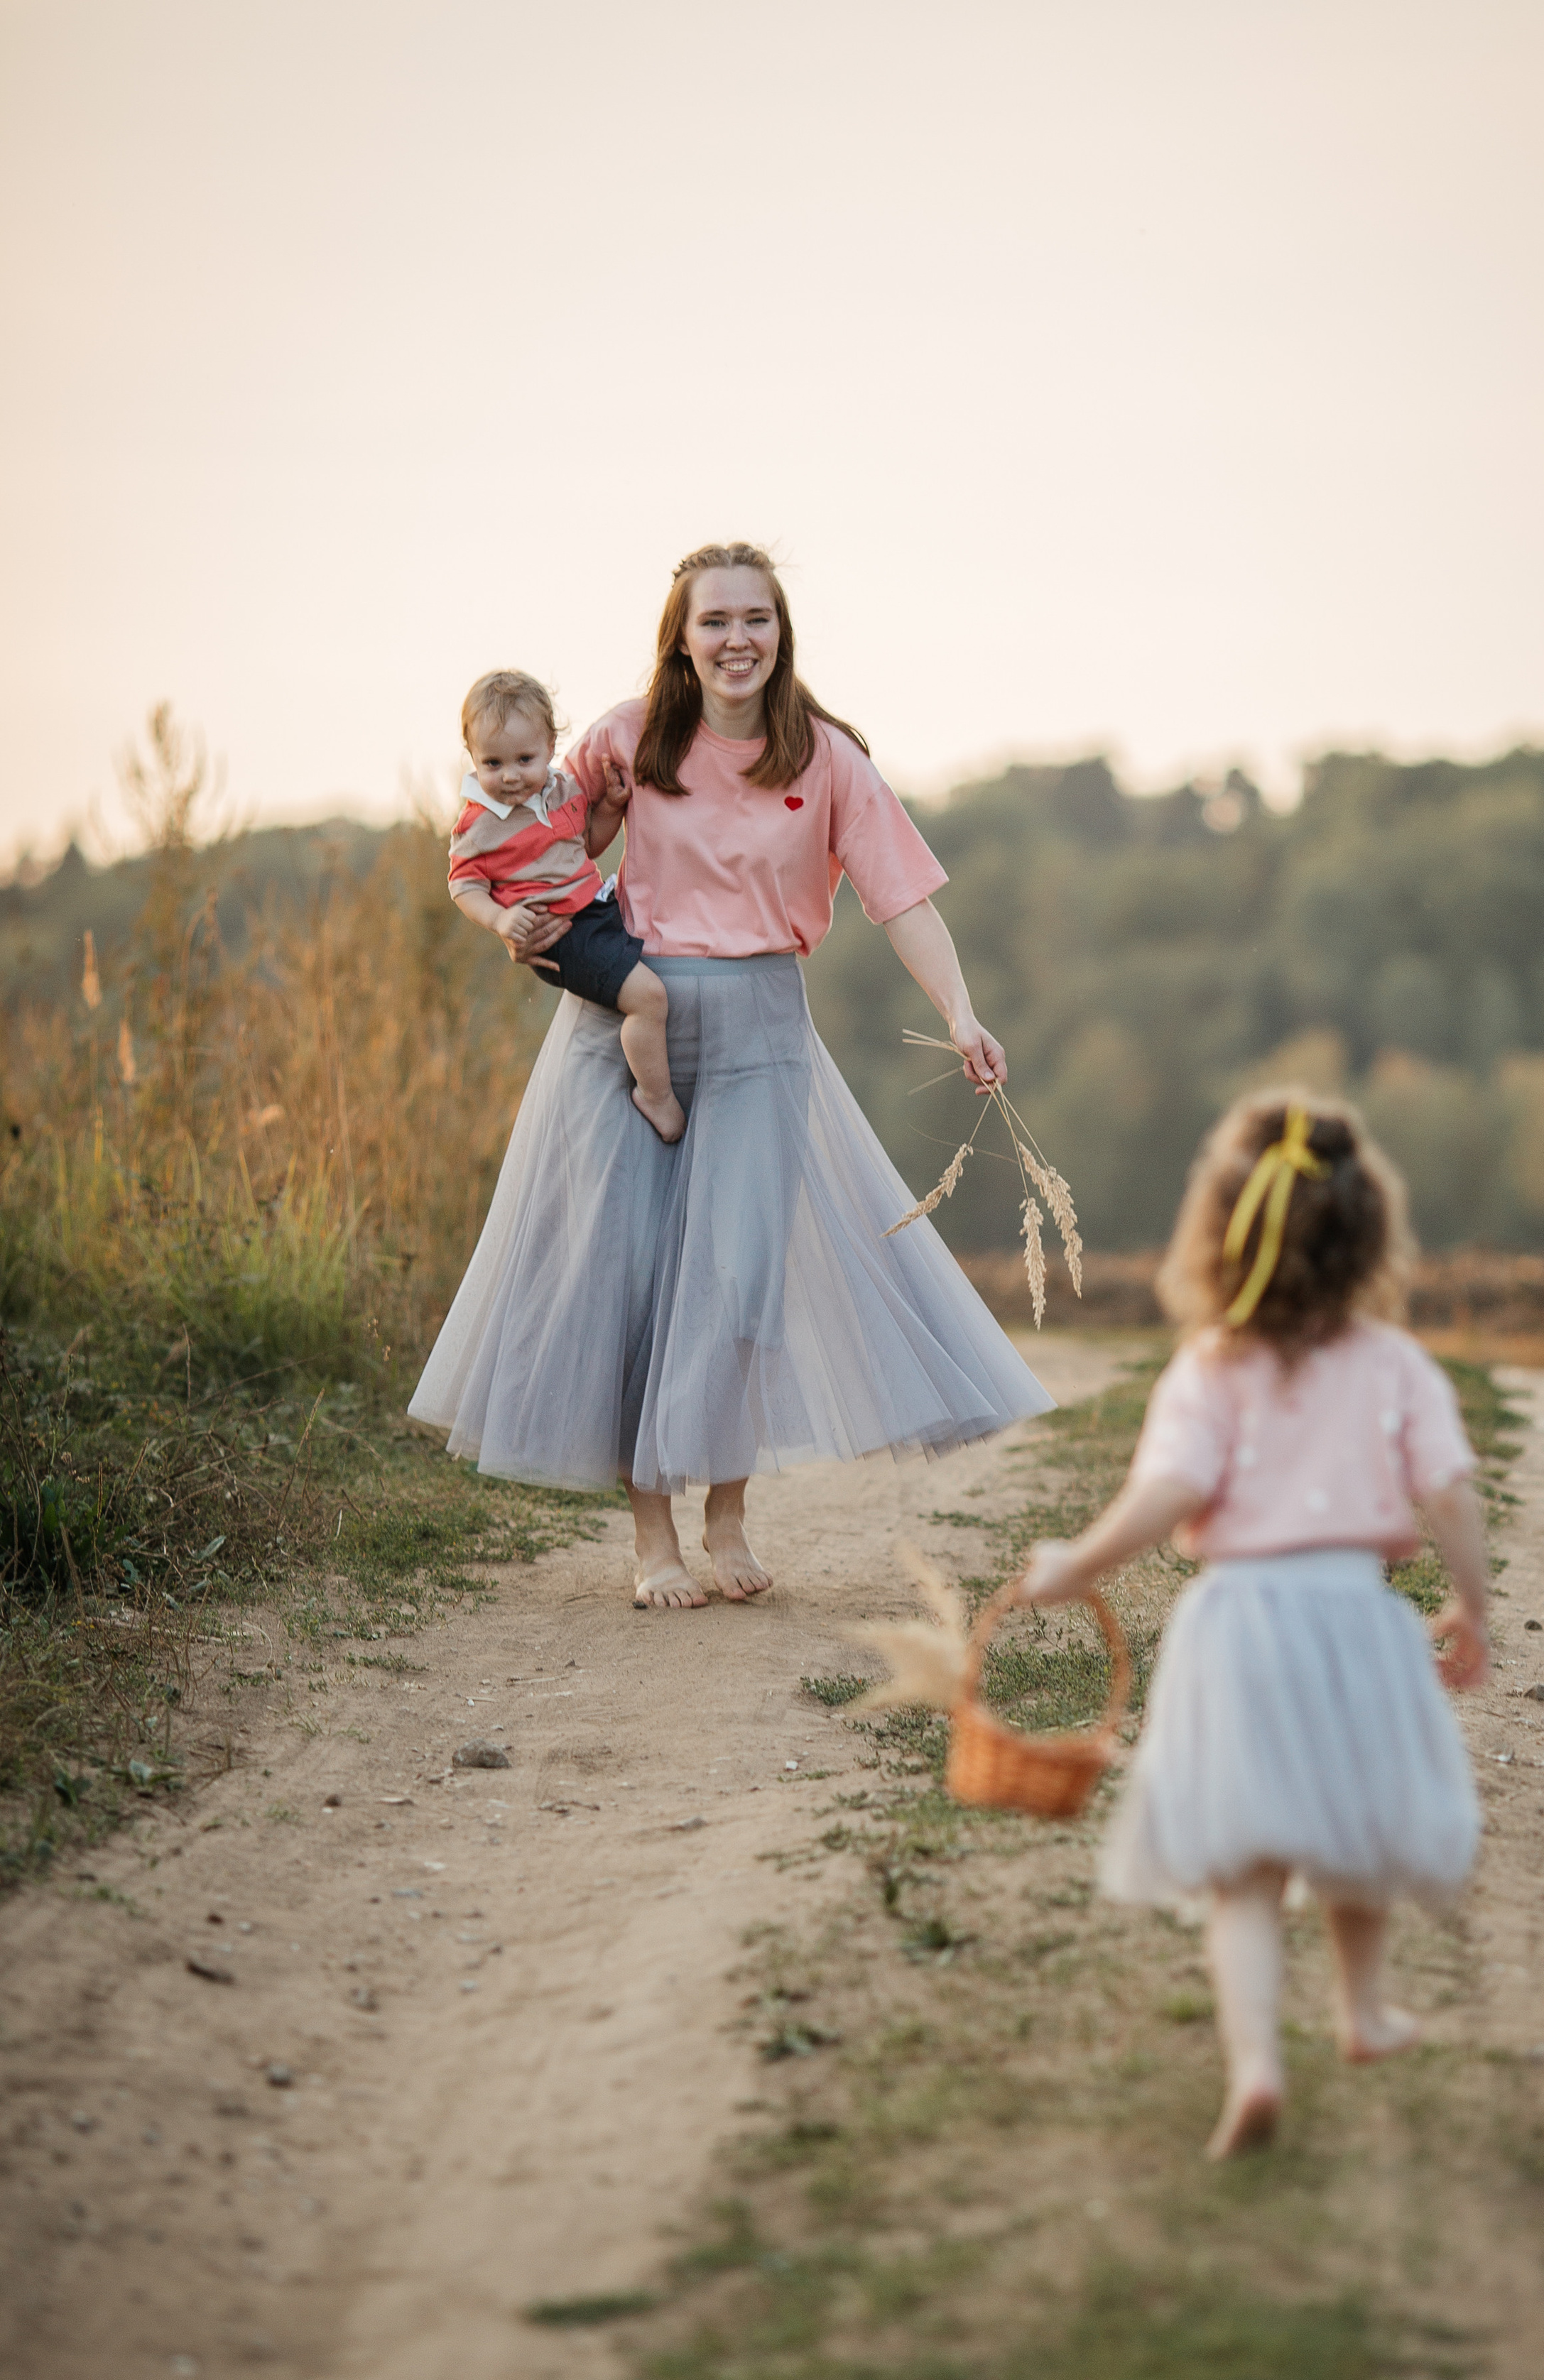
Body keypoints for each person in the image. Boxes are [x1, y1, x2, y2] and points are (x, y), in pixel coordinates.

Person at [411, 545, 1051, 1607]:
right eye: (714, 621)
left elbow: (902, 899)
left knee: (741, 1280)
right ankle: (652, 1539)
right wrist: (514, 921)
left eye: (756, 618)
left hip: (761, 1031)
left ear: (781, 631)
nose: (736, 639)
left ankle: (727, 1516)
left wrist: (961, 1013)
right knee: (630, 1279)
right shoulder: (628, 735)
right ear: (682, 637)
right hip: (625, 1026)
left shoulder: (828, 758)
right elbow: (543, 840)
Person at [1016, 1090, 1488, 2159]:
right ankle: (1362, 2014)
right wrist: (1473, 1605)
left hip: (1236, 1628)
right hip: (1355, 1621)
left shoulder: (1210, 1368)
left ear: (1216, 1238)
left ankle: (1257, 2068)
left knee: (1245, 1873)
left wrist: (1077, 1564)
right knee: (1356, 1839)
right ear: (1368, 1238)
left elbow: (1170, 1492)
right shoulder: (1394, 1366)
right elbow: (1451, 1493)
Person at [448, 669, 683, 1140]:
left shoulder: (563, 792)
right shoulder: (479, 824)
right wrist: (500, 919)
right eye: (492, 763)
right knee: (649, 998)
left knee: (653, 977)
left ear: (550, 747)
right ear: (472, 755)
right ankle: (655, 1096)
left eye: (524, 759)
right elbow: (464, 885)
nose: (510, 776)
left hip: (592, 911)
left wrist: (611, 808)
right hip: (559, 932)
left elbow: (587, 846)